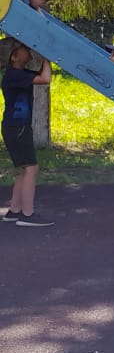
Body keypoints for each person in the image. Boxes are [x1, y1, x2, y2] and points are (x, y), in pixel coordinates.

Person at [2, 41, 53, 226]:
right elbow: (45, 79)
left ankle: (14, 211)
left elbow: (42, 75)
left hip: (16, 127)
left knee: (25, 169)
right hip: (17, 128)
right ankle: (27, 215)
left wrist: (45, 57)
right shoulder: (14, 75)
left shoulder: (19, 74)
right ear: (14, 57)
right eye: (22, 48)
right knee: (31, 169)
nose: (27, 48)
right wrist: (47, 55)